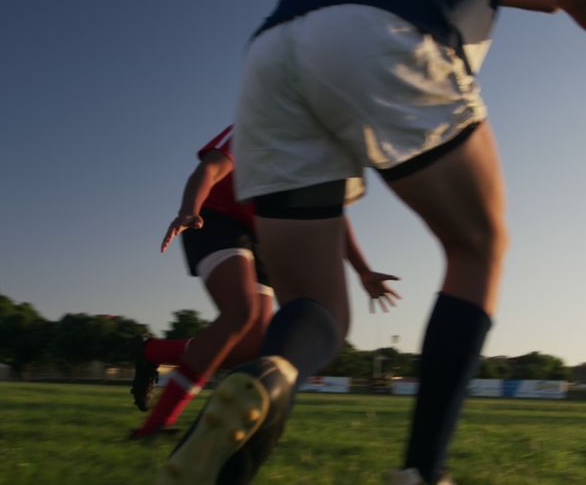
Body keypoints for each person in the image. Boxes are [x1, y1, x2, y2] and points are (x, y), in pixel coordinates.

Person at [161, 0, 586, 483]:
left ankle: (269, 373)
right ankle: (422, 470)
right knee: (478, 245)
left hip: (273, 56)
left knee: (315, 309)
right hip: (385, 30)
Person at [129, 125, 399, 439]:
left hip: (260, 236)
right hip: (214, 218)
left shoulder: (319, 157)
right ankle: (155, 425)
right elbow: (211, 167)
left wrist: (364, 271)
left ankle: (154, 351)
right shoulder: (262, 122)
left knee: (252, 348)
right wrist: (189, 209)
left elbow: (335, 219)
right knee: (240, 312)